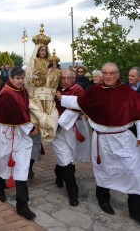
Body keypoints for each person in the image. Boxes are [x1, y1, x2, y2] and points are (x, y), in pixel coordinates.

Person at [56, 62, 140, 223]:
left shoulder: (128, 92)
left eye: (112, 73)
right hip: (102, 140)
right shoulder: (94, 91)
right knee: (104, 170)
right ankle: (103, 199)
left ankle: (135, 209)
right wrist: (61, 97)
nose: (108, 77)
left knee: (134, 171)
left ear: (118, 74)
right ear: (102, 74)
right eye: (105, 73)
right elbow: (79, 102)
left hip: (123, 139)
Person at [0, 67, 38, 220]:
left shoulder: (23, 91)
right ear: (11, 79)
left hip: (20, 135)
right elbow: (15, 113)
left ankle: (23, 205)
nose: (20, 81)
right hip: (5, 133)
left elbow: (24, 110)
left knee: (22, 168)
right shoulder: (6, 93)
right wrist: (31, 128)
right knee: (2, 161)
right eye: (18, 78)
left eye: (22, 78)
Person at [24, 24, 60, 178]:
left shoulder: (52, 65)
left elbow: (54, 83)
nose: (43, 52)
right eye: (41, 49)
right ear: (37, 50)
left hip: (49, 100)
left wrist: (53, 72)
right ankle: (27, 165)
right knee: (33, 134)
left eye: (45, 49)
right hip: (36, 99)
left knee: (53, 124)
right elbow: (28, 82)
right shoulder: (32, 64)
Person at [53, 69, 90, 206]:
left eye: (69, 78)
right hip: (59, 130)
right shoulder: (54, 88)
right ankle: (73, 194)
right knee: (65, 159)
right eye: (63, 78)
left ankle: (58, 173)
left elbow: (83, 105)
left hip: (75, 130)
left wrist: (61, 98)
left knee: (70, 159)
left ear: (74, 78)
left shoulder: (78, 89)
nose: (66, 81)